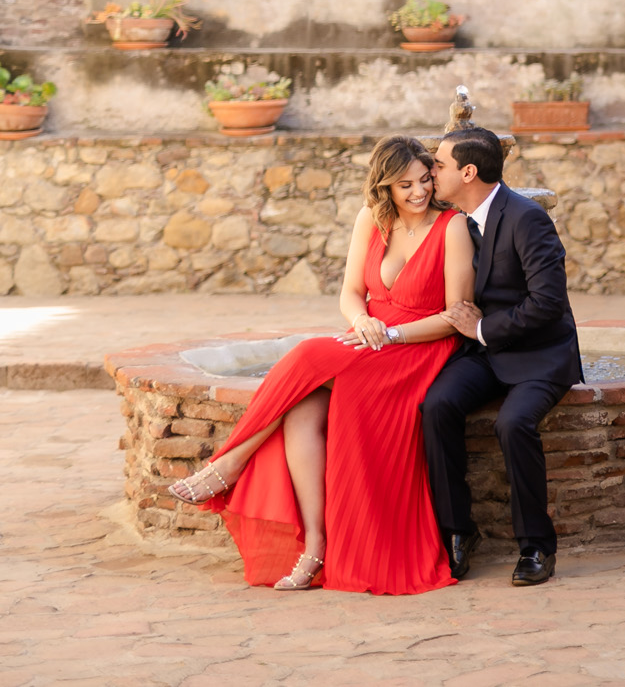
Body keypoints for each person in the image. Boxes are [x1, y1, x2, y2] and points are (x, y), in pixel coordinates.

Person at [165, 134, 471, 593]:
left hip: (416, 349)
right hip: (369, 338)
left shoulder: (453, 227)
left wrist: (390, 333)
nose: (418, 192)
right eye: (404, 184)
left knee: (308, 354)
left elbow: (455, 316)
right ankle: (314, 544)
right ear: (384, 186)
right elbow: (350, 292)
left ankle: (229, 463)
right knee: (301, 409)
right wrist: (363, 319)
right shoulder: (372, 218)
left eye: (425, 180)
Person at [422, 90, 582, 587]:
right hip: (485, 355)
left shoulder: (527, 218)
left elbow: (548, 302)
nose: (432, 172)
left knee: (513, 424)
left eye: (439, 163)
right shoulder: (451, 222)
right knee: (435, 406)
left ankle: (536, 545)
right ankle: (457, 531)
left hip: (539, 355)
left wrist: (484, 328)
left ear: (468, 173)